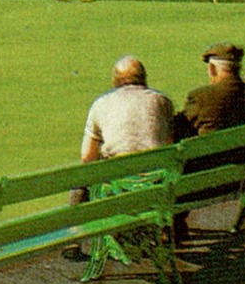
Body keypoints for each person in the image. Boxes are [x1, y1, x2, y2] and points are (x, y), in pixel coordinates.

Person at [67, 55, 176, 221]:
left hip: (118, 183)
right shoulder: (163, 101)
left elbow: (87, 156)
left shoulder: (101, 104)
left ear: (115, 80)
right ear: (144, 78)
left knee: (80, 180)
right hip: (154, 180)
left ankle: (73, 234)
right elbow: (168, 144)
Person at [171, 43, 245, 243]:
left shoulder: (201, 96)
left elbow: (177, 128)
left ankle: (173, 224)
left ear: (212, 69)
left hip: (208, 181)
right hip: (242, 174)